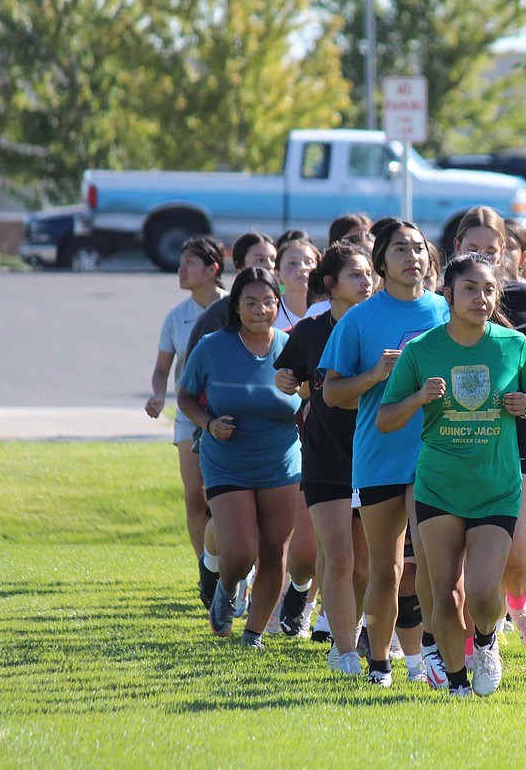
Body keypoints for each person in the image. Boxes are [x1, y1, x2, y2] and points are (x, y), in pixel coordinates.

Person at [378, 253, 526, 697]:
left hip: (496, 487)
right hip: (439, 487)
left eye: (489, 289)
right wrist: (417, 398)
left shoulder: (514, 345)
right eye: (470, 288)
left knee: (484, 591)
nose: (481, 297)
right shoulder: (420, 350)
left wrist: (525, 406)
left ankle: (487, 641)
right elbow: (385, 419)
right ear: (447, 294)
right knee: (445, 591)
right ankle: (455, 683)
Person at [319, 220, 450, 688]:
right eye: (400, 250)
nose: (412, 257)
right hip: (377, 456)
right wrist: (375, 374)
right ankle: (380, 663)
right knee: (386, 568)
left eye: (418, 248)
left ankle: (431, 656)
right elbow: (331, 393)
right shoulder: (359, 319)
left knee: (432, 564)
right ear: (380, 262)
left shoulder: (446, 311)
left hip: (435, 456)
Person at [452, 206, 526, 663]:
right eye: (473, 248)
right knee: (461, 560)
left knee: (515, 555)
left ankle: (518, 606)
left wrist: (519, 377)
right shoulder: (444, 299)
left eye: (492, 250)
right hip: (455, 441)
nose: (483, 256)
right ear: (457, 250)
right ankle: (479, 640)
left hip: (515, 439)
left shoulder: (518, 296)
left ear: (507, 252)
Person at [177, 267, 302, 648]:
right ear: (236, 306)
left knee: (273, 550)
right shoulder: (213, 346)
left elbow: (309, 398)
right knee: (242, 550)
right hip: (226, 461)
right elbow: (184, 398)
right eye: (250, 302)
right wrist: (209, 423)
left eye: (268, 302)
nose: (260, 310)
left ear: (277, 305)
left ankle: (253, 634)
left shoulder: (290, 347)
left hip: (280, 463)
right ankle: (227, 588)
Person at [274, 241, 376, 674]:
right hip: (324, 456)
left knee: (365, 566)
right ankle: (345, 651)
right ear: (331, 283)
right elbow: (289, 375)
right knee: (338, 557)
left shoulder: (381, 326)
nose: (367, 281)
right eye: (356, 275)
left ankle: (348, 635)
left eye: (370, 273)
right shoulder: (312, 331)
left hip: (374, 457)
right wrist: (285, 379)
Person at [145, 236, 228, 609]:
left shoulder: (237, 304)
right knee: (196, 497)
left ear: (212, 268)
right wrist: (159, 395)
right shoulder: (175, 316)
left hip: (230, 415)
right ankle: (205, 570)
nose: (181, 269)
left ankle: (230, 568)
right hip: (189, 415)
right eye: (180, 262)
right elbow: (163, 368)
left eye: (189, 262)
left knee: (222, 498)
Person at [273, 238, 321, 331]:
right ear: (278, 274)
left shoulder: (330, 310)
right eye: (292, 263)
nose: (302, 267)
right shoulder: (270, 314)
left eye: (308, 262)